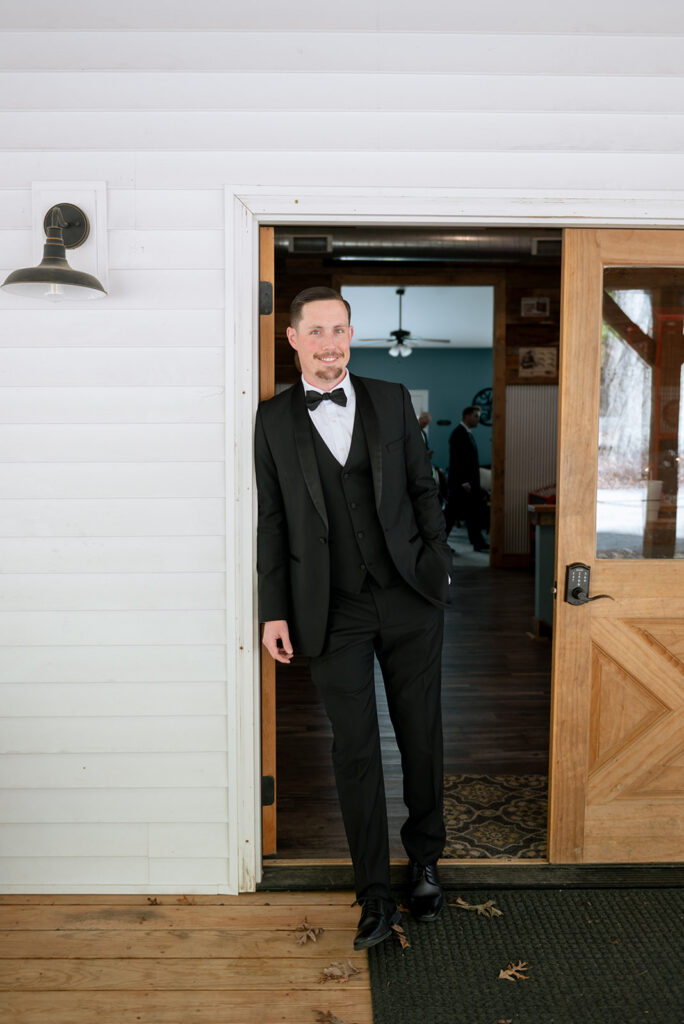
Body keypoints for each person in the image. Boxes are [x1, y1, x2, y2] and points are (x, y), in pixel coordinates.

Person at [255, 286, 451, 950]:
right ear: (294, 339)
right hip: (329, 607)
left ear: (351, 333)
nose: (330, 342)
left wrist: (438, 568)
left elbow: (425, 489)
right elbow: (273, 522)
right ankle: (373, 894)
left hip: (408, 599)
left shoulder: (391, 398)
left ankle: (425, 861)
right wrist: (273, 612)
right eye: (316, 331)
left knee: (420, 734)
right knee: (356, 750)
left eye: (339, 330)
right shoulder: (273, 420)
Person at [444, 406, 489, 552]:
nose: (478, 419)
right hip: (461, 484)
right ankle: (438, 544)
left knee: (472, 513)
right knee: (451, 515)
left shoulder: (467, 433)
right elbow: (457, 460)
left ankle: (477, 542)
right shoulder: (459, 433)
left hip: (468, 483)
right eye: (476, 416)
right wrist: (464, 481)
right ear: (467, 416)